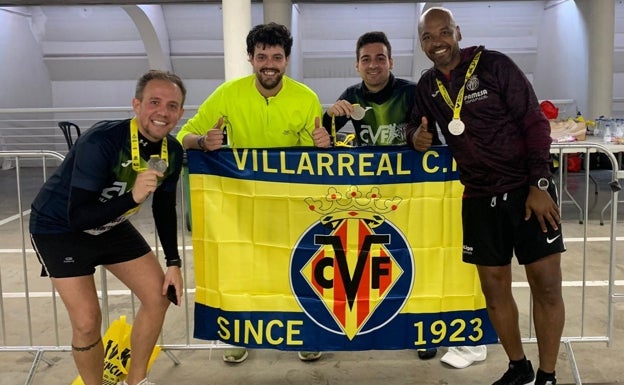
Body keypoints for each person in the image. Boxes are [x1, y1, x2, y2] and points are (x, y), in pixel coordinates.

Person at [407, 7, 565, 385]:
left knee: (545, 285)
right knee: (494, 289)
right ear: (421, 43)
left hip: (527, 191)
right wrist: (416, 136)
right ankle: (518, 367)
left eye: (443, 33)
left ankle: (547, 374)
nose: (437, 43)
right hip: (478, 197)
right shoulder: (429, 86)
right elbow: (414, 123)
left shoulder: (494, 66)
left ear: (457, 32)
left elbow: (534, 122)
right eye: (428, 37)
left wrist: (539, 185)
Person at [177, 22, 330, 364]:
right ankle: (239, 334)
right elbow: (183, 135)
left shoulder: (306, 98)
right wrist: (202, 142)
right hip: (241, 204)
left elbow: (316, 160)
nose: (269, 63)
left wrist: (324, 145)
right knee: (242, 270)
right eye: (262, 56)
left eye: (277, 56)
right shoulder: (228, 94)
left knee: (297, 269)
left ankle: (304, 333)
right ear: (251, 58)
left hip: (291, 205)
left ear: (287, 60)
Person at [29, 70, 186, 385]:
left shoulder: (171, 150)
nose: (163, 112)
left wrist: (173, 262)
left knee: (160, 296)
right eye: (154, 102)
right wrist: (132, 196)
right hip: (60, 228)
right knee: (87, 323)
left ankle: (136, 380)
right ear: (136, 105)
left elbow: (164, 208)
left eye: (172, 106)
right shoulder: (103, 141)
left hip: (111, 224)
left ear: (180, 113)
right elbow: (79, 217)